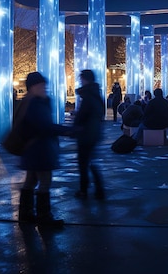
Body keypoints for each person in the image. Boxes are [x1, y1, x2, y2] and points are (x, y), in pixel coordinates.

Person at [17, 72, 72, 226]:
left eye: (44, 85)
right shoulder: (34, 103)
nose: (44, 88)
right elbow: (44, 126)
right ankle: (44, 217)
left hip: (34, 150)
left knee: (31, 180)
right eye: (41, 85)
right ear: (32, 87)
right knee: (45, 181)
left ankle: (26, 213)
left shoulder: (34, 101)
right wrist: (66, 131)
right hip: (38, 150)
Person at [73, 69, 106, 200]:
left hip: (86, 134)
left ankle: (84, 190)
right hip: (94, 133)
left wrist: (76, 122)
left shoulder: (88, 96)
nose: (80, 81)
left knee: (83, 163)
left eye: (81, 79)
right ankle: (98, 189)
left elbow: (83, 116)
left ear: (86, 79)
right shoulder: (96, 95)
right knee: (91, 162)